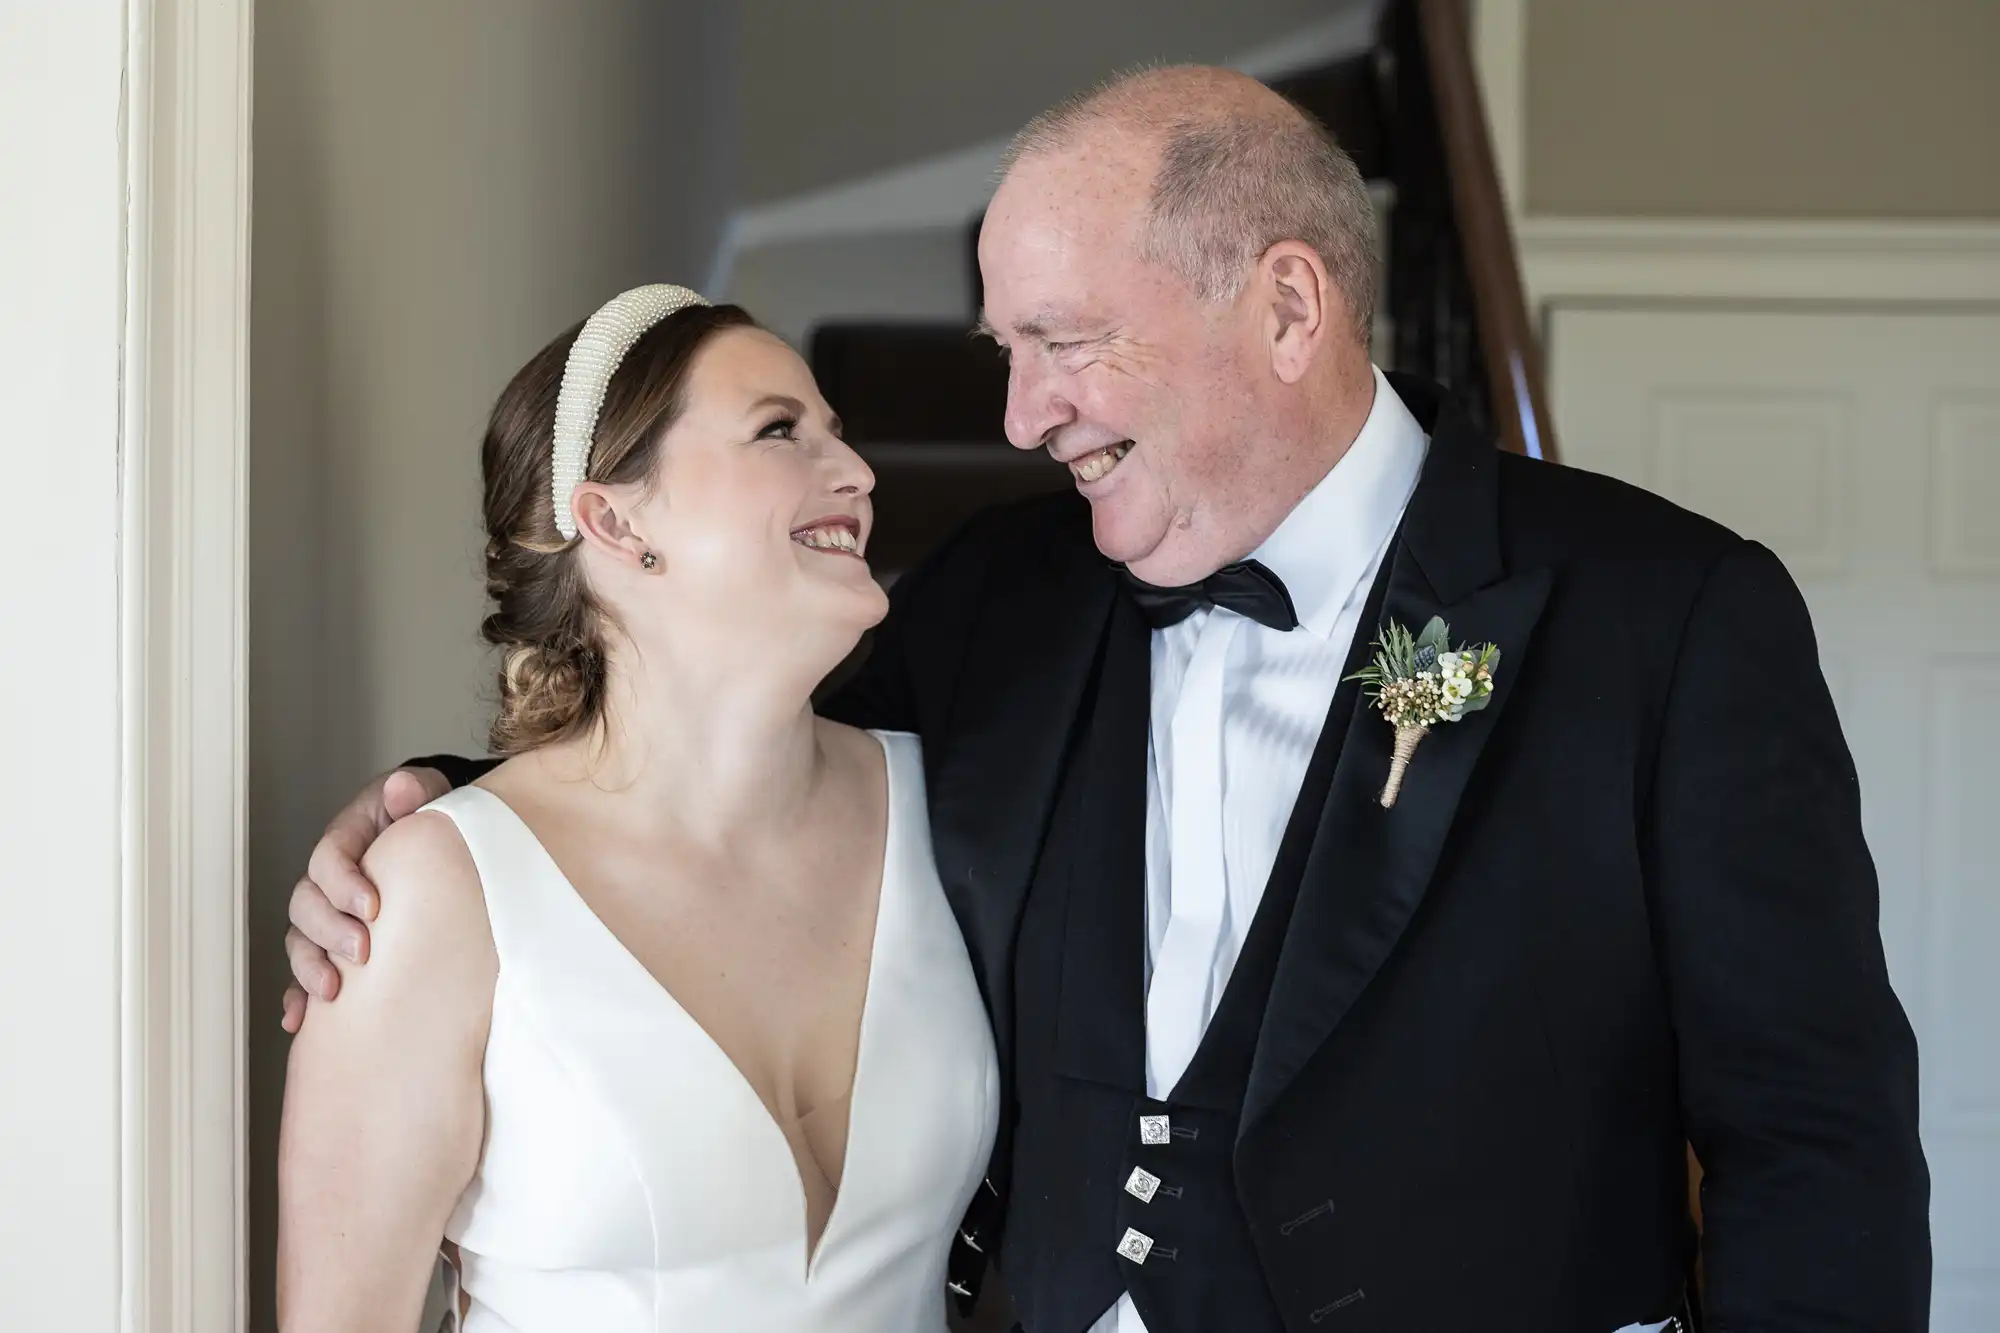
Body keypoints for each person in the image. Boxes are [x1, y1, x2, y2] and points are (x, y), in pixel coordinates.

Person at [283, 68, 1930, 1333]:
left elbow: (1817, 1144)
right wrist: (438, 812)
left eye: (1061, 341)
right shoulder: (1005, 602)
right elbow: (695, 756)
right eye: (1000, 349)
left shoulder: (1664, 616)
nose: (1016, 414)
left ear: (1287, 308)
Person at [276, 287, 998, 1332]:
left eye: (837, 433)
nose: (857, 473)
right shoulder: (436, 895)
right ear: (613, 517)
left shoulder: (958, 812)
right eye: (779, 431)